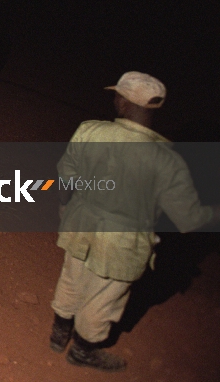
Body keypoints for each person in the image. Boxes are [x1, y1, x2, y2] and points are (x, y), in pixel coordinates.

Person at [49, 71, 220, 372]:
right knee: (103, 298)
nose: (114, 99)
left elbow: (66, 176)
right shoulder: (168, 160)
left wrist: (65, 210)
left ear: (125, 103)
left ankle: (58, 334)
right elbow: (188, 218)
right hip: (124, 242)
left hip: (80, 224)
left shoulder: (90, 131)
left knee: (72, 279)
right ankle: (83, 350)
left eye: (118, 95)